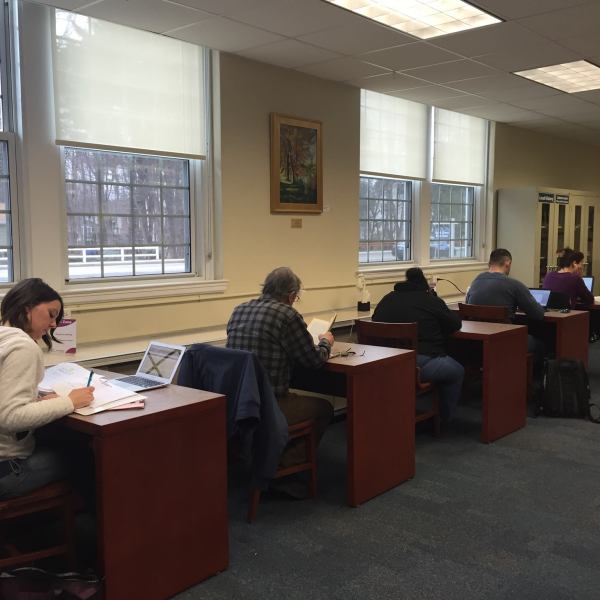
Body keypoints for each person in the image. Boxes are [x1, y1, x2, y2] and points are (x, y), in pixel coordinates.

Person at [227, 267, 334, 476]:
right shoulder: (287, 315)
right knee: (324, 408)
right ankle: (282, 466)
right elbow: (315, 361)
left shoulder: (239, 310)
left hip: (240, 403)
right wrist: (325, 342)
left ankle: (267, 458)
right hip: (269, 404)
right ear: (292, 295)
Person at [0, 278, 94, 499]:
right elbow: (10, 417)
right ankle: (97, 520)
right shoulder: (23, 347)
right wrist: (70, 402)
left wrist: (38, 403)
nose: (53, 324)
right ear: (27, 307)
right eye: (51, 315)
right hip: (7, 470)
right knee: (86, 452)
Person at [372, 267, 464, 424]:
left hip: (385, 364)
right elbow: (455, 324)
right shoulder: (430, 300)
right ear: (425, 286)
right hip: (418, 364)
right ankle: (445, 420)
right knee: (457, 370)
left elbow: (375, 320)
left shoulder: (387, 299)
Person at [466, 248, 545, 373]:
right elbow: (538, 314)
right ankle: (528, 380)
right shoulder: (514, 284)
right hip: (505, 342)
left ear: (490, 263)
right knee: (540, 344)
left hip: (477, 343)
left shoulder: (476, 281)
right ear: (507, 263)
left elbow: (467, 304)